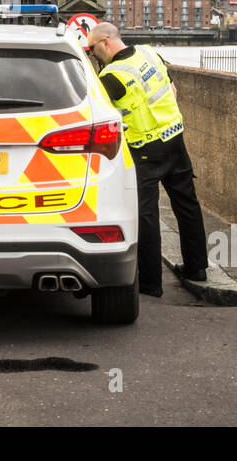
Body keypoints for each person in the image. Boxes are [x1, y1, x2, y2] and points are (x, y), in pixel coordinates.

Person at [86, 22, 208, 296]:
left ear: (105, 42)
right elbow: (173, 91)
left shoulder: (110, 77)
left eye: (92, 49)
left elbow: (101, 116)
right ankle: (197, 268)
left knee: (146, 214)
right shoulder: (150, 54)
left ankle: (151, 283)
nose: (92, 55)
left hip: (144, 150)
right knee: (187, 204)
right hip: (174, 138)